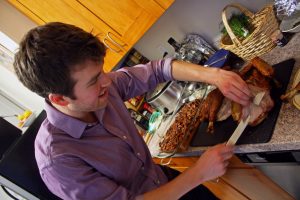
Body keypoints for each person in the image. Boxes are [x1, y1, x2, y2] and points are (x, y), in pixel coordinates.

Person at [13, 22, 251, 200]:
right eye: (94, 81)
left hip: (169, 183)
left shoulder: (104, 89)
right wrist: (198, 173)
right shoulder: (58, 160)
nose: (107, 81)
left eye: (102, 71)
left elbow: (158, 70)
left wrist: (215, 75)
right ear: (59, 99)